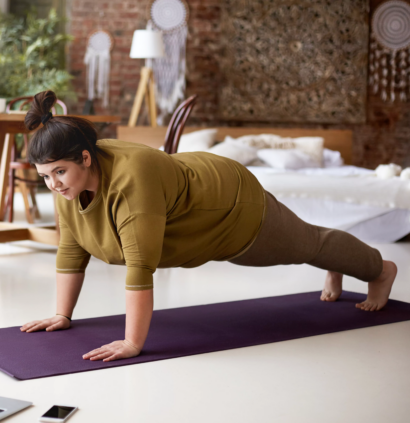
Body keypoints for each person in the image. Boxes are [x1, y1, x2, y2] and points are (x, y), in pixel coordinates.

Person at [20, 91, 398, 362]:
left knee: (306, 244)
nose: (53, 184)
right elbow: (72, 247)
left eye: (59, 173)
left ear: (85, 158)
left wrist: (133, 342)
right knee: (310, 244)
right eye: (45, 177)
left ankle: (379, 269)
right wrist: (62, 315)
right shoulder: (69, 181)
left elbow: (140, 267)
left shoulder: (133, 180)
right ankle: (334, 259)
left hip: (230, 206)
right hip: (199, 198)